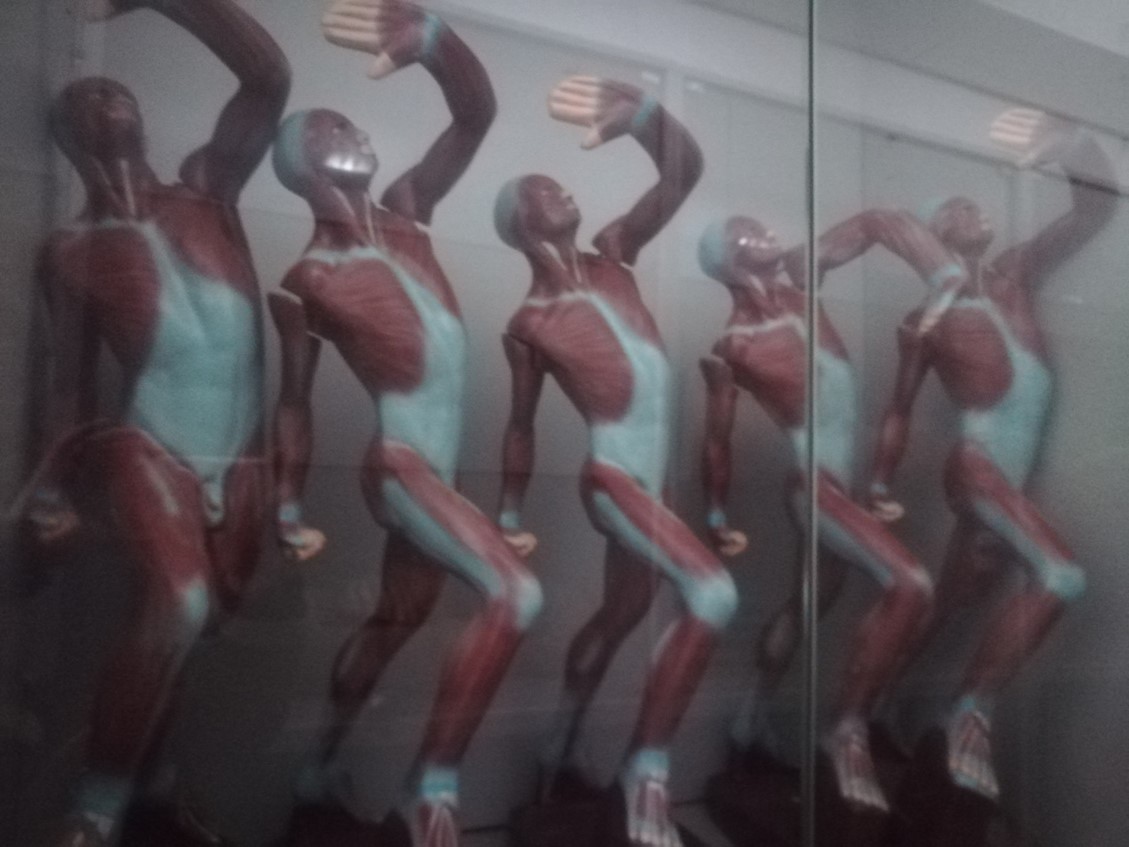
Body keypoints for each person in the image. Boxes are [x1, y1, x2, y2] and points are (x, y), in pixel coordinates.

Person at [17, 1, 289, 843]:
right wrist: (49, 489)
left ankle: (155, 782)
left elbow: (267, 75)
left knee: (201, 628)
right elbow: (70, 388)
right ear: (66, 137)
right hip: (147, 441)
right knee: (180, 597)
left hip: (242, 455)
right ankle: (94, 807)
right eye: (86, 96)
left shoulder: (208, 189)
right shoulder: (69, 250)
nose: (106, 97)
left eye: (116, 89)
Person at [269, 2, 541, 844]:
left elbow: (475, 113)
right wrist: (286, 504)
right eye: (329, 128)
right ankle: (435, 789)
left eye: (350, 122)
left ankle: (317, 765)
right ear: (297, 165)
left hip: (439, 472)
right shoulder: (309, 275)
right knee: (514, 592)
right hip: (398, 465)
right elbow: (293, 398)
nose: (351, 129)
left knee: (393, 622)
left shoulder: (409, 209)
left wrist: (432, 42)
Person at [495, 74, 736, 847]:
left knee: (623, 612)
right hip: (611, 478)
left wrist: (644, 116)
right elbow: (520, 424)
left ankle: (560, 743)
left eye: (557, 183)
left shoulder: (615, 255)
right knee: (711, 592)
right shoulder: (530, 321)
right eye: (541, 190)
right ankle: (647, 771)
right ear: (519, 224)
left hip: (653, 481)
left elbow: (683, 170)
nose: (560, 189)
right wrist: (506, 513)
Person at [866, 108, 1116, 799]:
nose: (971, 209)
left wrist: (1073, 144)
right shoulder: (924, 320)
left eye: (971, 203)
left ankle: (869, 708)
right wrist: (880, 481)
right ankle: (968, 711)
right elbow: (897, 408)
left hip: (1012, 476)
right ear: (931, 237)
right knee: (1059, 574)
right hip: (975, 466)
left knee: (949, 601)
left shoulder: (1015, 273)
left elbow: (1094, 211)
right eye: (952, 209)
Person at [697, 205, 963, 810]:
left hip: (844, 487)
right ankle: (848, 730)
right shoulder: (735, 345)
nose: (766, 232)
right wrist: (715, 515)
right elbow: (715, 440)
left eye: (760, 225)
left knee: (808, 607)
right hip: (813, 487)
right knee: (909, 582)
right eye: (747, 232)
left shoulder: (803, 291)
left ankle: (747, 721)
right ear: (728, 263)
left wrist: (939, 272)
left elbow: (874, 223)